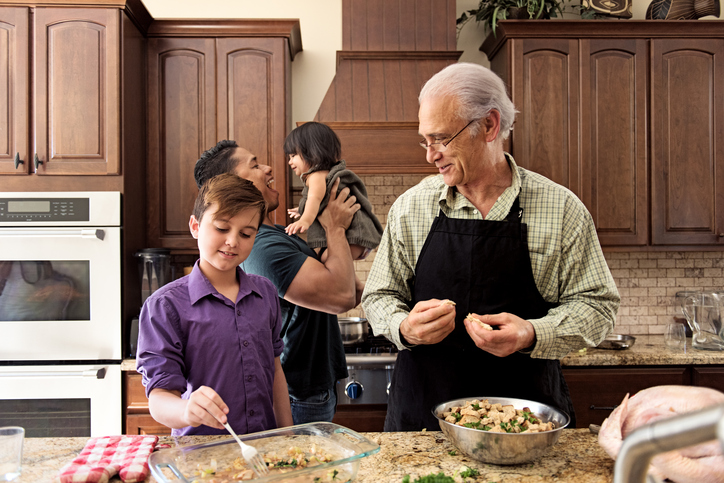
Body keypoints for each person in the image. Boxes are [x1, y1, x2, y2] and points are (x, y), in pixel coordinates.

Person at [361, 62, 620, 431]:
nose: (430, 154)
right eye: (425, 139)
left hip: (526, 423)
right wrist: (404, 327)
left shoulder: (561, 209)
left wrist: (533, 333)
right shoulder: (410, 208)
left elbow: (598, 306)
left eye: (441, 138)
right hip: (423, 423)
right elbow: (378, 296)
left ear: (489, 125)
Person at [194, 140, 362, 425]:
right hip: (300, 397)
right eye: (255, 165)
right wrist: (335, 226)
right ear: (236, 183)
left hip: (312, 389)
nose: (268, 168)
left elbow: (352, 290)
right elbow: (343, 296)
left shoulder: (280, 235)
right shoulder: (262, 245)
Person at [136, 173, 293, 436]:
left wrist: (288, 436)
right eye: (222, 228)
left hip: (265, 451)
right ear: (195, 226)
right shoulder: (164, 306)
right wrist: (186, 410)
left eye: (246, 233)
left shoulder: (265, 292)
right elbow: (159, 398)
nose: (233, 241)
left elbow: (275, 371)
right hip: (200, 456)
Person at [284, 122, 383, 261]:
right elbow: (319, 199)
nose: (289, 162)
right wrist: (302, 208)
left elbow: (315, 199)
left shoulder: (316, 176)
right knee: (334, 263)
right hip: (359, 236)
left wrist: (305, 220)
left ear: (312, 152)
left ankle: (355, 284)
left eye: (293, 155)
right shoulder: (324, 175)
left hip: (353, 235)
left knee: (326, 261)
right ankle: (358, 284)